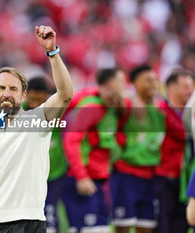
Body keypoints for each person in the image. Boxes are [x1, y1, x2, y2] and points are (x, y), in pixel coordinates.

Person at [0, 25, 73, 233]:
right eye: (2, 88)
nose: (7, 93)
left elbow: (65, 94)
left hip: (30, 222)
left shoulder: (37, 121)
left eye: (13, 89)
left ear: (23, 97)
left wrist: (52, 51)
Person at [62, 68, 126, 233]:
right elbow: (71, 140)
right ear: (111, 83)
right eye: (122, 81)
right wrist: (82, 177)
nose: (125, 85)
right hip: (82, 179)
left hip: (98, 178)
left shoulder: (111, 107)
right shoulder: (92, 107)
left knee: (101, 228)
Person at [111, 65, 165, 233]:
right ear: (134, 83)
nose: (153, 84)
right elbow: (114, 103)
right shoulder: (127, 104)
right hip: (126, 176)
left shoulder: (160, 108)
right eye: (148, 80)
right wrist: (126, 97)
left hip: (150, 178)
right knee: (123, 227)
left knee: (147, 227)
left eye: (155, 80)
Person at [22, 77, 68, 233]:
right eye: (32, 98)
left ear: (48, 97)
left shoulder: (55, 112)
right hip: (27, 177)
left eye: (40, 99)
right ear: (25, 95)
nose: (36, 103)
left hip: (52, 175)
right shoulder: (16, 112)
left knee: (50, 216)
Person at [154, 69, 194, 233]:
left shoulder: (189, 113)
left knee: (182, 225)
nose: (189, 91)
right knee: (164, 224)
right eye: (185, 86)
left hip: (185, 179)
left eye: (191, 86)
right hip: (164, 179)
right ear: (171, 87)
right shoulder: (160, 110)